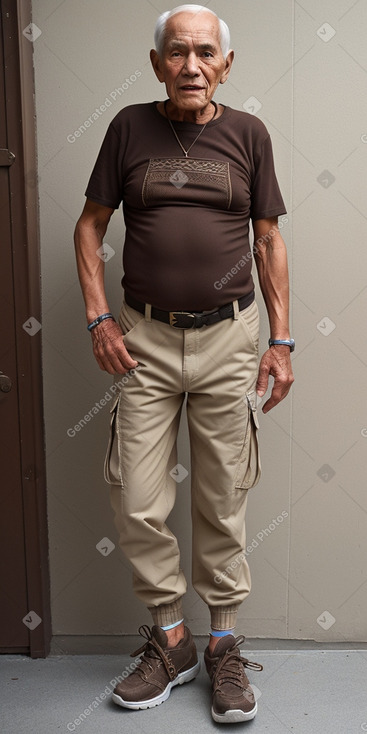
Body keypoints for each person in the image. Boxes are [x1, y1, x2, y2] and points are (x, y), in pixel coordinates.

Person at [74, 3, 294, 724]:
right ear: (157, 62)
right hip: (144, 339)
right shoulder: (128, 129)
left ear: (224, 64)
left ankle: (224, 644)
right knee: (136, 498)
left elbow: (266, 241)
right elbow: (90, 225)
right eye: (177, 52)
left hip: (231, 339)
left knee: (221, 497)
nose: (190, 65)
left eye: (205, 53)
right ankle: (172, 641)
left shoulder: (247, 134)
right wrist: (99, 318)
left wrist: (281, 340)